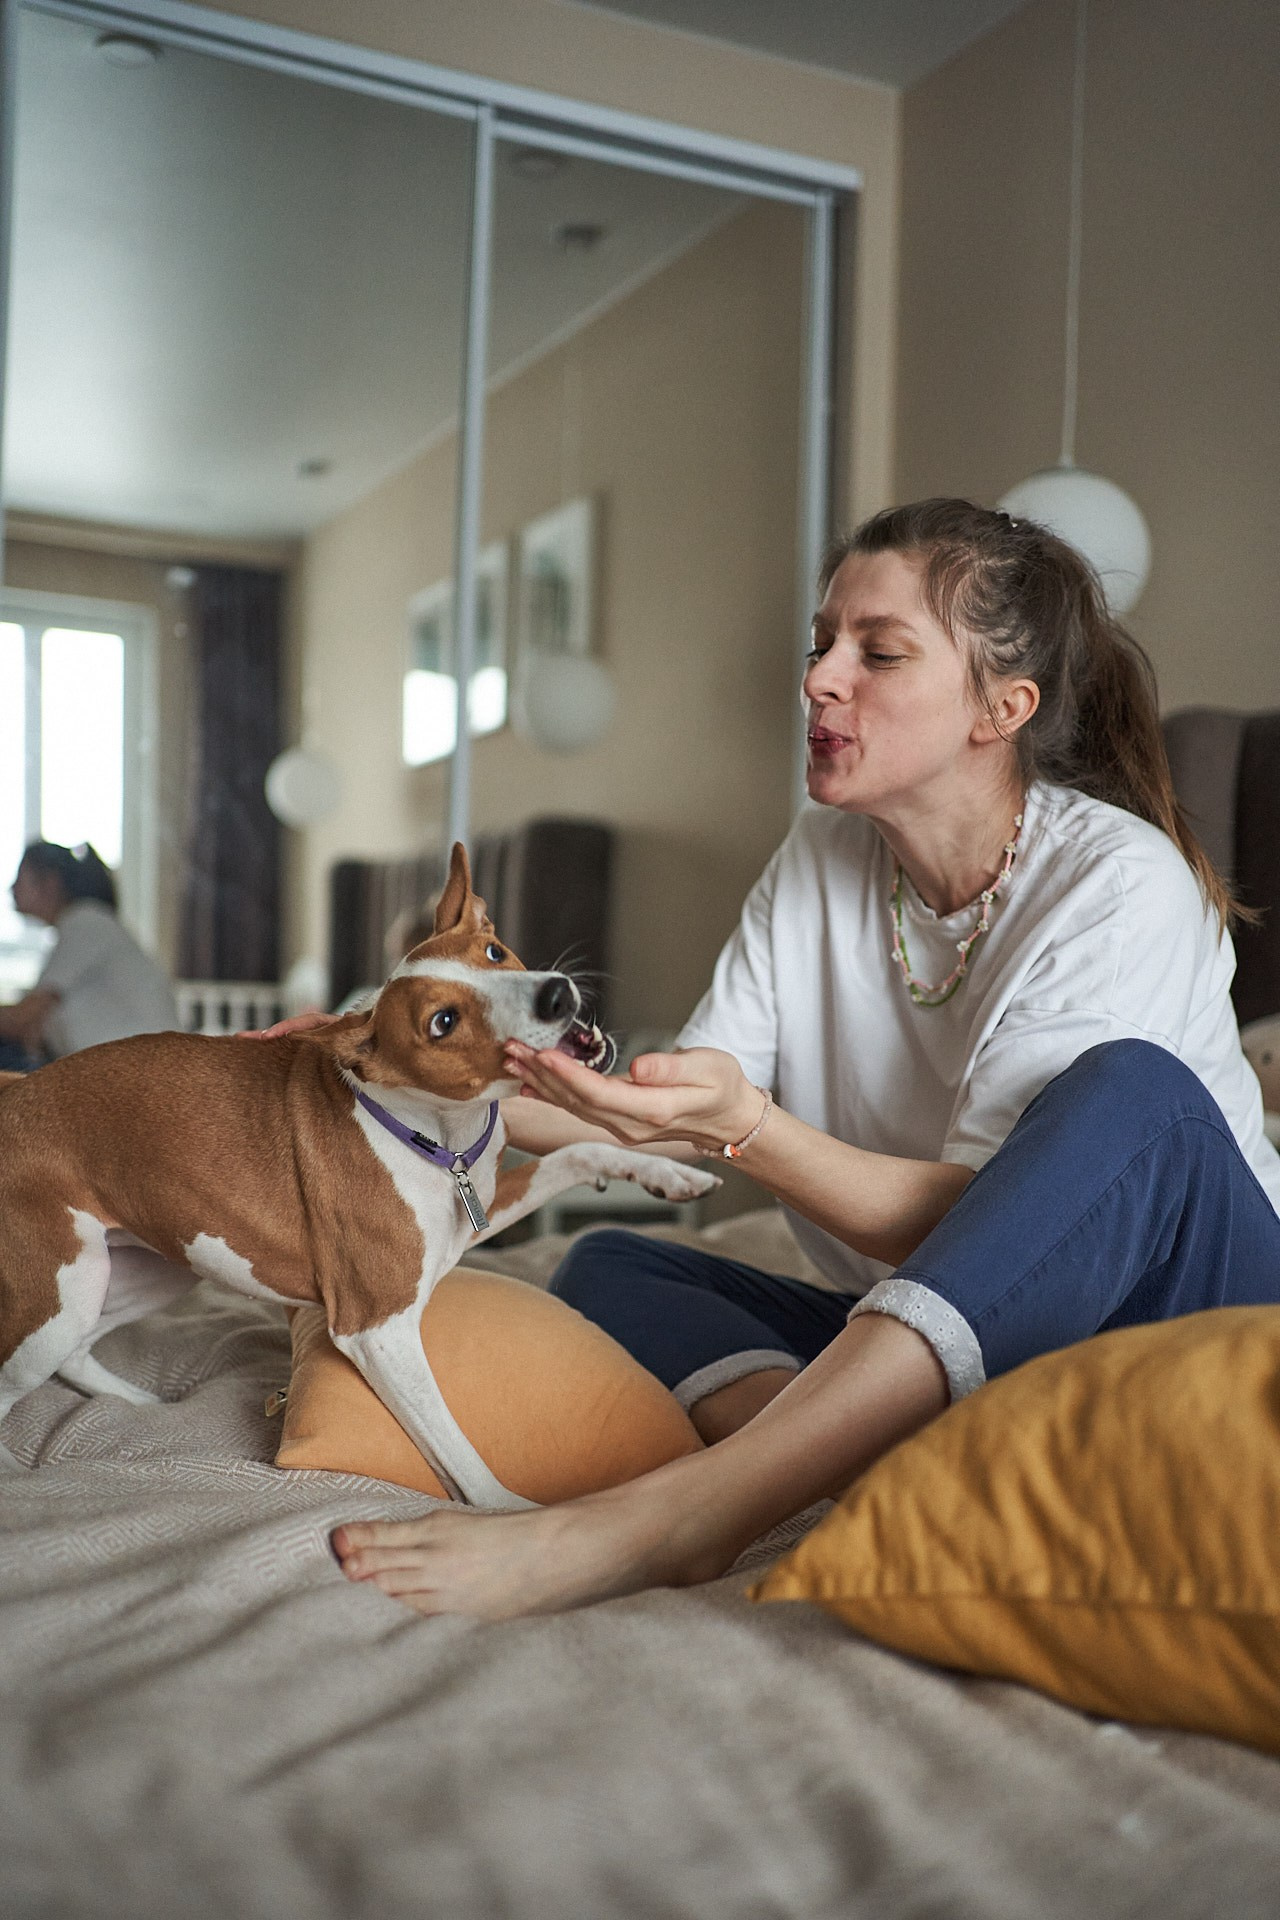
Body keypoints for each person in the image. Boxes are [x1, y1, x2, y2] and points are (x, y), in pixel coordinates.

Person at [318, 497, 1280, 1618]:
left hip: (1190, 1319)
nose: (821, 678)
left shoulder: (1117, 885)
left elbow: (997, 1235)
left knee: (1136, 1093)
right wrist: (402, 1083)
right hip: (957, 1334)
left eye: (879, 653)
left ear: (1002, 706)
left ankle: (692, 1511)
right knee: (617, 1269)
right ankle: (873, 1479)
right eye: (821, 644)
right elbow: (672, 1104)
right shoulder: (825, 852)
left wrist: (748, 1131)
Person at [0, 841, 178, 1064]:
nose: (11, 888)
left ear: (50, 882)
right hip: (133, 1065)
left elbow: (24, 1016)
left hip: (139, 1068)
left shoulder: (85, 922)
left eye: (20, 878)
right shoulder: (83, 925)